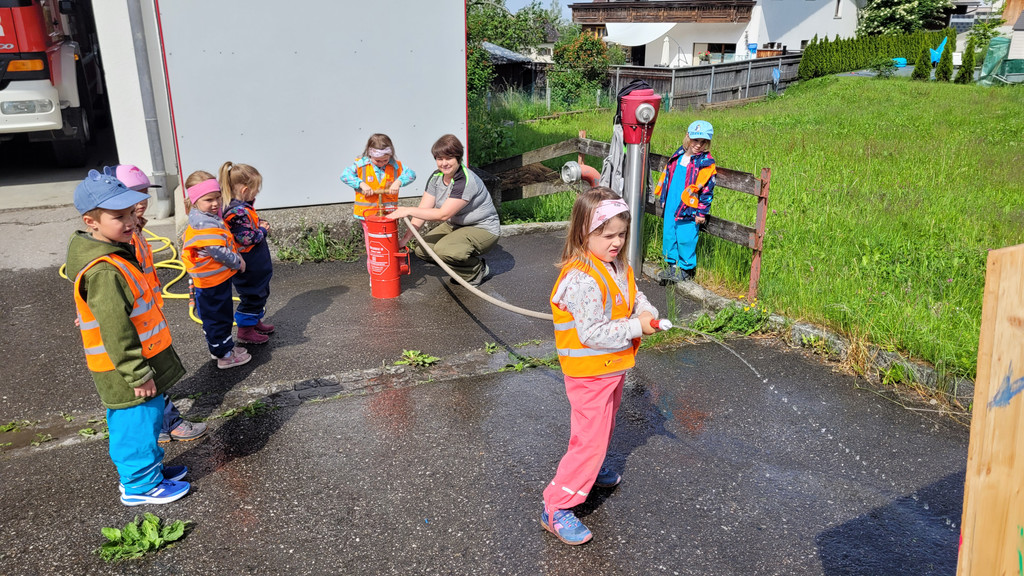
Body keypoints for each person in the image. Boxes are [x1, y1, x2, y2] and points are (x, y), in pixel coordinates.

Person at [542, 187, 660, 545]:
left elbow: (632, 293)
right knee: (588, 442)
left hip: (611, 368)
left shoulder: (614, 264)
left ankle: (588, 475)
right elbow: (592, 333)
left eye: (622, 234)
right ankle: (557, 506)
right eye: (606, 235)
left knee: (603, 429)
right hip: (589, 373)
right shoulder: (581, 279)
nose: (616, 242)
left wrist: (645, 310)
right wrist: (634, 327)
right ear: (583, 233)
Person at [65, 169, 191, 506]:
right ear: (90, 221)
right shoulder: (105, 269)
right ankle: (139, 486)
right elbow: (116, 330)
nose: (130, 221)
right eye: (117, 216)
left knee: (146, 418)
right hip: (125, 369)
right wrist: (137, 374)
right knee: (134, 423)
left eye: (130, 213)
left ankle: (149, 473)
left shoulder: (114, 251)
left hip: (132, 364)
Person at [104, 164, 207, 444]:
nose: (141, 201)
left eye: (144, 193)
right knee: (150, 374)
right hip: (136, 319)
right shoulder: (119, 239)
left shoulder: (135, 230)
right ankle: (168, 424)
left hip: (148, 314)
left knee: (154, 372)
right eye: (133, 194)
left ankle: (160, 423)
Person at [387, 134, 499, 286]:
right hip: (456, 225)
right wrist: (406, 239)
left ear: (458, 158)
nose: (444, 163)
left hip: (482, 228)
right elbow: (423, 209)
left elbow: (442, 214)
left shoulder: (464, 180)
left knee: (445, 250)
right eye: (439, 159)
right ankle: (462, 268)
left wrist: (407, 210)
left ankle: (476, 270)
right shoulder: (436, 177)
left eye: (449, 158)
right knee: (422, 249)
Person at [180, 171, 251, 369]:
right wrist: (238, 262)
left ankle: (222, 347)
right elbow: (218, 251)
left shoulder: (202, 215)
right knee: (219, 317)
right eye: (209, 199)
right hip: (212, 282)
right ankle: (224, 355)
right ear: (195, 200)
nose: (216, 203)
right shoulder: (204, 223)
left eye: (218, 197)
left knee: (215, 316)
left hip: (211, 279)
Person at [340, 134, 416, 273]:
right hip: (368, 215)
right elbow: (344, 176)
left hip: (389, 214)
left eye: (385, 160)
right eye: (378, 160)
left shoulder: (395, 165)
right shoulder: (360, 165)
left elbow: (411, 174)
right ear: (370, 154)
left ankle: (391, 270)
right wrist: (361, 183)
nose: (382, 163)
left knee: (389, 243)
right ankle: (375, 273)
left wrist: (399, 181)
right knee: (373, 246)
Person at [653, 120, 717, 284]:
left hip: (689, 207)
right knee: (670, 233)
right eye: (696, 140)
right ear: (688, 137)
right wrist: (664, 198)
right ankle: (671, 265)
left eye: (703, 142)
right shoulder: (678, 155)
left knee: (686, 236)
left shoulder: (705, 163)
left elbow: (707, 190)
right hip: (671, 202)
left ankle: (685, 268)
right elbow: (668, 177)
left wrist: (702, 212)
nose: (698, 145)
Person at [220, 161, 275, 345]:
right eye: (255, 189)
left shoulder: (242, 207)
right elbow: (246, 238)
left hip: (255, 262)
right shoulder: (236, 212)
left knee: (260, 293)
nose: (256, 193)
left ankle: (254, 322)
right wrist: (263, 230)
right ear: (244, 190)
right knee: (252, 295)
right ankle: (245, 330)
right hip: (249, 264)